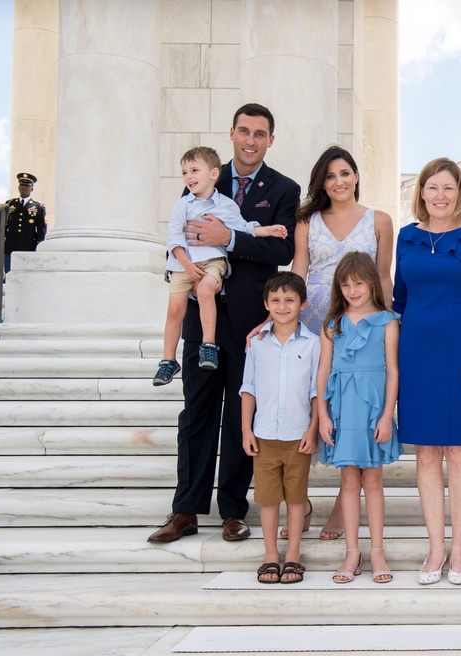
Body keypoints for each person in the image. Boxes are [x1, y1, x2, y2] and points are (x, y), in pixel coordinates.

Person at [147, 103, 300, 544]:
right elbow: (181, 236)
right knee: (195, 412)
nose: (251, 140)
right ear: (231, 133)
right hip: (202, 317)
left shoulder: (284, 189)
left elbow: (280, 253)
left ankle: (233, 510)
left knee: (240, 417)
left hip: (253, 324)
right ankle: (185, 510)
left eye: (260, 134)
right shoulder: (199, 181)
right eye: (244, 131)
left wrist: (228, 238)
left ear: (270, 140)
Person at [273, 145, 395, 541]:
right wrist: (278, 318)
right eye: (330, 176)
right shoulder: (307, 221)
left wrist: (389, 321)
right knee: (311, 411)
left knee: (353, 416)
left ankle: (345, 513)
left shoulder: (379, 220)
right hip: (315, 324)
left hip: (361, 326)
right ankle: (301, 500)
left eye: (345, 173)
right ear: (321, 183)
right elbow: (299, 270)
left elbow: (382, 275)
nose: (338, 181)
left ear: (356, 176)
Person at [393, 158, 461, 585]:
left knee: (458, 452)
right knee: (425, 454)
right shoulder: (406, 238)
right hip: (416, 355)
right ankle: (435, 547)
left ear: (460, 193)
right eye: (433, 187)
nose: (440, 196)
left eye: (449, 188)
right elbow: (400, 300)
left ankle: (460, 548)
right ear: (421, 192)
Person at [154, 147, 287, 386]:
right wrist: (187, 264)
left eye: (194, 170)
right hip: (183, 264)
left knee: (205, 290)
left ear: (214, 173)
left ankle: (209, 345)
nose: (189, 177)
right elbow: (173, 239)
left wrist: (268, 230)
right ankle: (168, 360)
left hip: (213, 263)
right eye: (184, 172)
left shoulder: (225, 205)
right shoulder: (182, 205)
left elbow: (243, 228)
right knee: (174, 310)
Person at [317, 252, 402, 584]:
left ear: (372, 283)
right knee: (349, 481)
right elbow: (324, 371)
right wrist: (323, 414)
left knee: (373, 481)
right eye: (346, 284)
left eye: (359, 283)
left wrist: (386, 415)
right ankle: (352, 553)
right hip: (341, 408)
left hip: (372, 411)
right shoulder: (331, 325)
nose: (352, 290)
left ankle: (377, 550)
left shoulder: (388, 321)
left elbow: (393, 371)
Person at [240, 272, 319, 584]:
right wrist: (246, 430)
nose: (282, 306)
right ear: (266, 304)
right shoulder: (257, 344)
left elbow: (316, 390)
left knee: (297, 498)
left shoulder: (313, 344)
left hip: (298, 434)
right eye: (276, 300)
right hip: (264, 436)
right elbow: (249, 388)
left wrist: (312, 429)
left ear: (303, 304)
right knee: (268, 499)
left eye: (289, 300)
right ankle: (270, 555)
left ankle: (293, 555)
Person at [3, 172, 47, 273]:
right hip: (11, 244)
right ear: (18, 187)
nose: (24, 187)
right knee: (9, 272)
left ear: (31, 188)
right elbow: (5, 225)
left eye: (27, 185)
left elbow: (41, 228)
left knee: (26, 273)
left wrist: (39, 244)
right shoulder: (9, 204)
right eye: (22, 184)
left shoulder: (38, 206)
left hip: (28, 245)